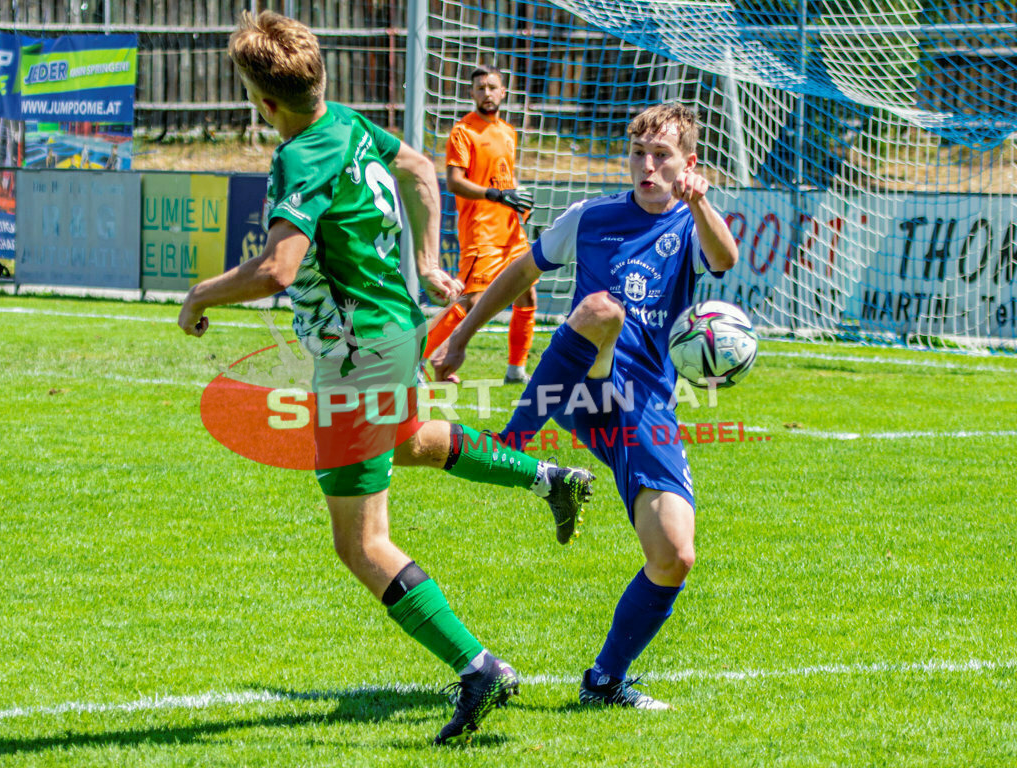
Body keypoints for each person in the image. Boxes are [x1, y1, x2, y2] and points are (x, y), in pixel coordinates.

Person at [176, 11, 593, 745]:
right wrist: (429, 262)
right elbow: (422, 168)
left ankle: (478, 668)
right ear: (321, 78)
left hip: (355, 354)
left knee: (361, 543)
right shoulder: (350, 124)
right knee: (410, 441)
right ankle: (549, 480)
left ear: (263, 104)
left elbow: (277, 267)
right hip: (396, 331)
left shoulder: (300, 154)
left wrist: (200, 294)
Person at [437, 102, 739, 709]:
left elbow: (724, 259)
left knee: (675, 555)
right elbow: (520, 273)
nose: (647, 167)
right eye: (639, 154)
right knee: (603, 308)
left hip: (645, 402)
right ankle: (513, 443)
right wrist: (461, 335)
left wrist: (702, 202)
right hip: (585, 381)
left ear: (688, 165)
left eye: (662, 157)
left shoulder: (689, 221)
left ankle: (604, 682)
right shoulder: (591, 217)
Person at [422, 65, 537, 385]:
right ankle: (419, 358)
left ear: (504, 92)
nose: (487, 93)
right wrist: (497, 195)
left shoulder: (508, 132)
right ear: (471, 94)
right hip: (481, 231)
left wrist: (518, 206)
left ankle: (516, 371)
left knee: (526, 295)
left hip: (510, 231)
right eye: (480, 88)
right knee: (471, 299)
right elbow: (455, 183)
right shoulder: (463, 132)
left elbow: (505, 179)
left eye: (492, 87)